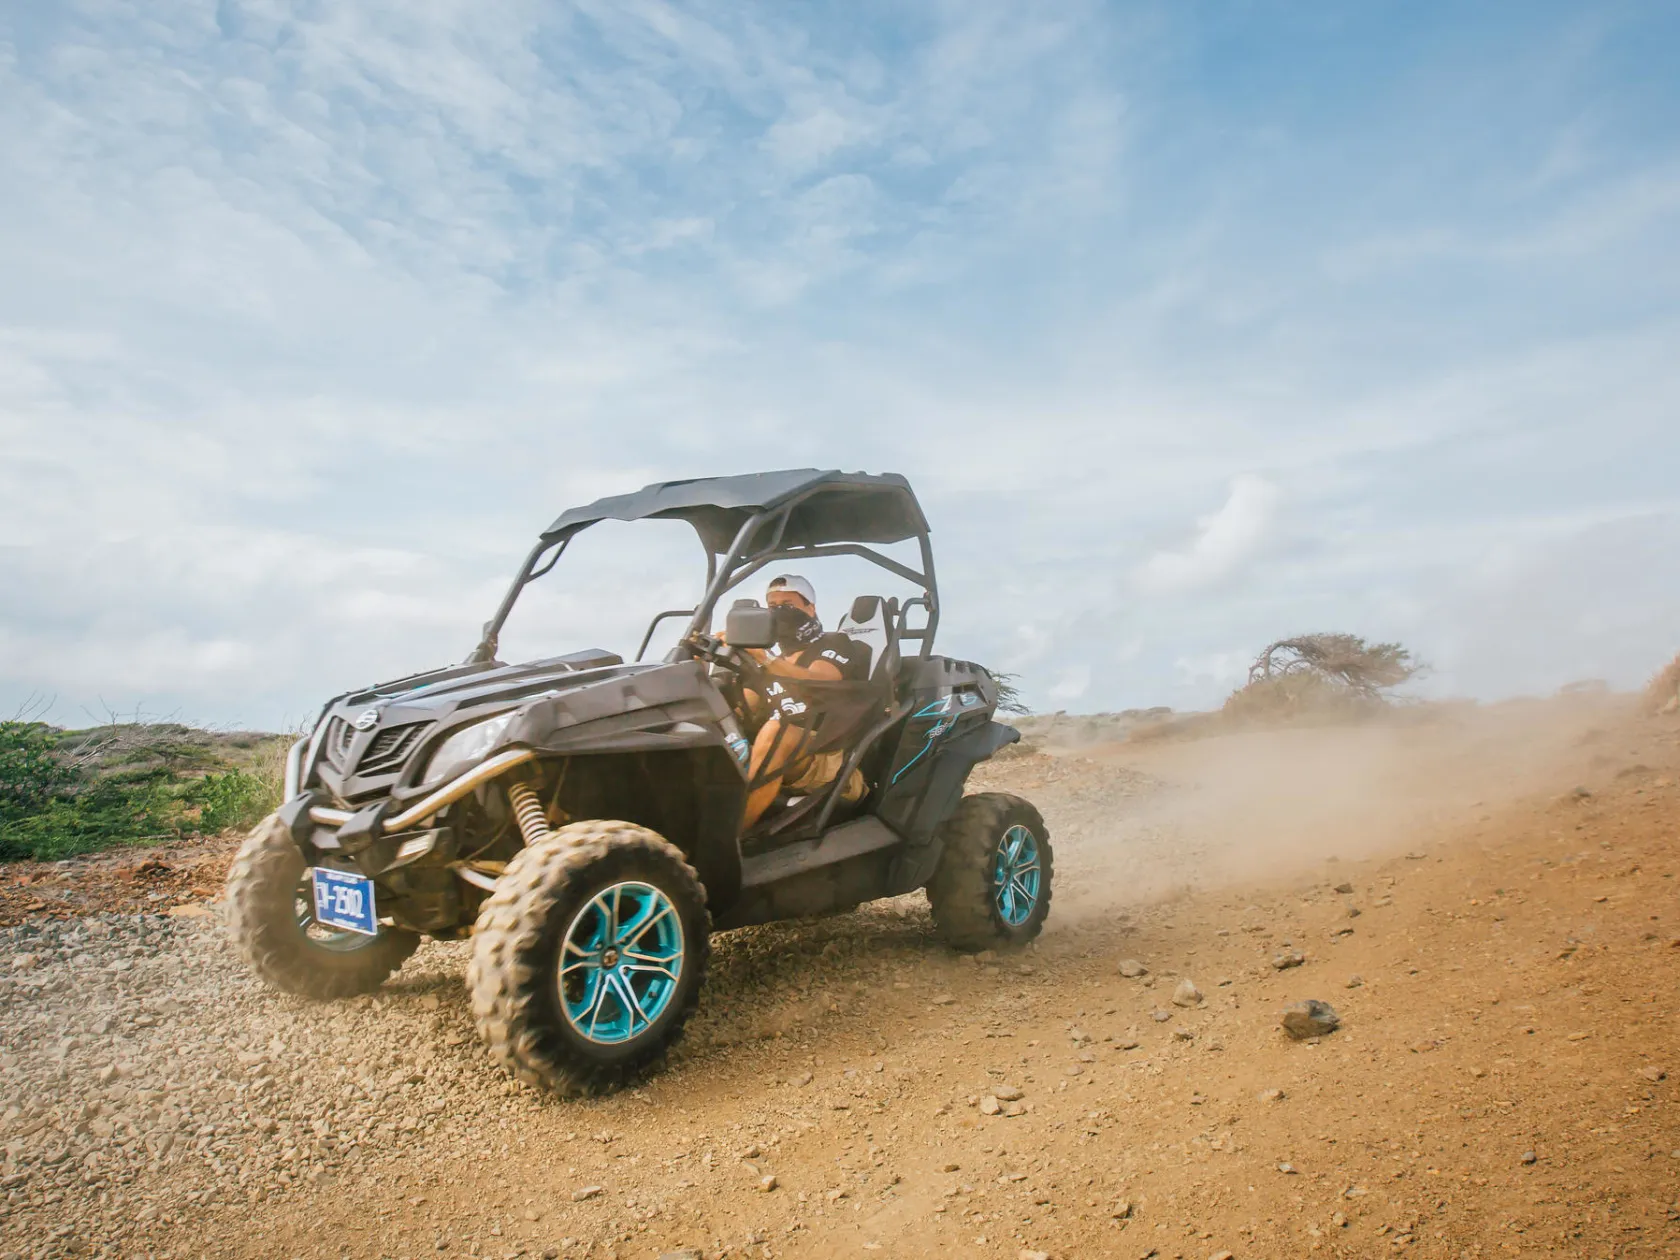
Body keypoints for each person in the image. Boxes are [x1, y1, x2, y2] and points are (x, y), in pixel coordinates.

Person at [739, 574, 873, 830]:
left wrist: (765, 659)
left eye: (788, 605)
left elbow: (820, 682)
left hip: (827, 757)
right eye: (773, 607)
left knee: (778, 730)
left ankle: (725, 844)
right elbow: (743, 708)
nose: (779, 612)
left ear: (810, 608)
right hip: (781, 755)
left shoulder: (835, 643)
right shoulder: (771, 662)